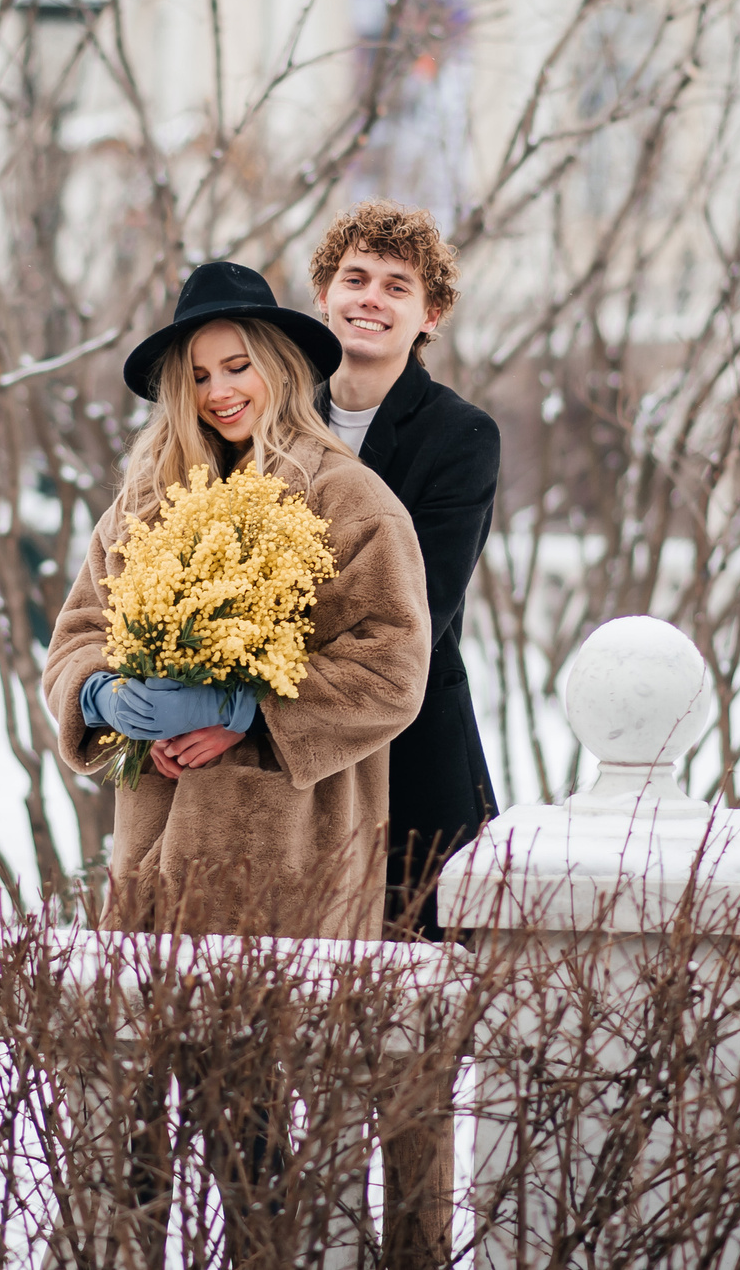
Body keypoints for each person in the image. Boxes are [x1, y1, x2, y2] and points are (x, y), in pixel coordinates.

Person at [43, 259, 432, 942]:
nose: (218, 390)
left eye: (236, 365)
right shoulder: (142, 503)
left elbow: (392, 670)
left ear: (277, 367)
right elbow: (76, 635)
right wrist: (105, 695)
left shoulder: (349, 498)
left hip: (294, 871)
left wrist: (249, 709)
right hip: (151, 873)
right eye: (197, 376)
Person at [308, 200, 501, 943]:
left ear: (432, 313)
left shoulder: (462, 435)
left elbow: (418, 606)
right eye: (355, 278)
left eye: (397, 285)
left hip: (414, 759)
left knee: (419, 1007)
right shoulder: (277, 422)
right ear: (323, 293)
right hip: (293, 762)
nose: (371, 299)